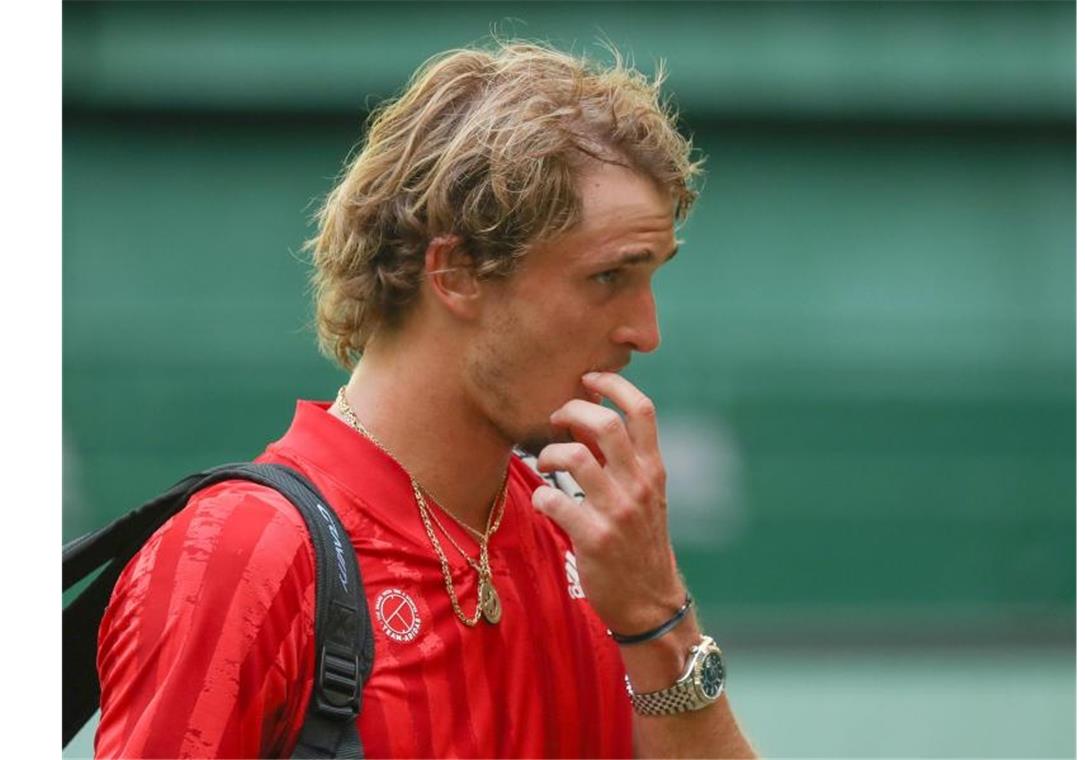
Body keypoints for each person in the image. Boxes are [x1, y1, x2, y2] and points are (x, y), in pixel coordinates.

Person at [95, 41, 757, 758]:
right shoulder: (239, 556)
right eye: (609, 278)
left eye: (651, 277)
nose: (646, 332)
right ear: (458, 273)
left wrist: (659, 619)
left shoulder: (594, 554)